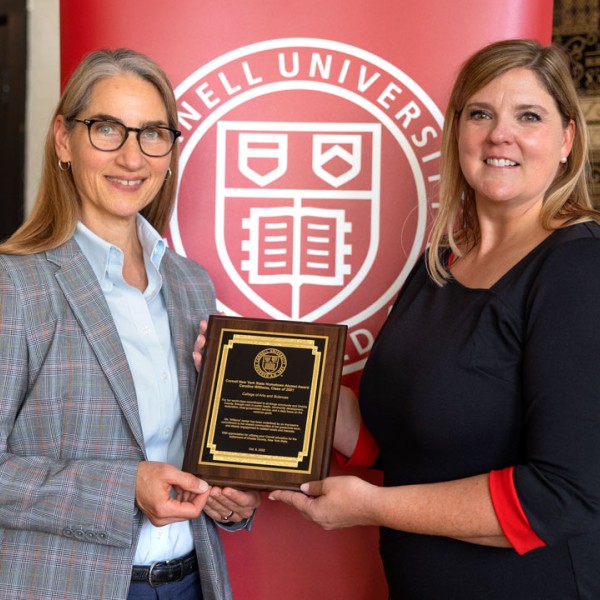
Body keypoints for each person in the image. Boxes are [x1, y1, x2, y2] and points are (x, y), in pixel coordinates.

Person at [269, 39, 600, 599]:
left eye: (529, 116)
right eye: (480, 114)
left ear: (566, 139)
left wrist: (373, 507)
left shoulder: (579, 269)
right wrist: (258, 372)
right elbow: (406, 431)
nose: (500, 135)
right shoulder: (441, 264)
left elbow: (563, 494)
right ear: (457, 133)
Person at [0, 48, 260, 600]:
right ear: (64, 140)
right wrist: (124, 488)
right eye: (107, 129)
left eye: (152, 133)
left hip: (193, 579)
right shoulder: (14, 285)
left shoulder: (192, 284)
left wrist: (228, 496)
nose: (132, 156)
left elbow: (197, 448)